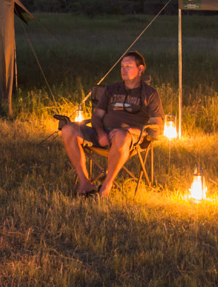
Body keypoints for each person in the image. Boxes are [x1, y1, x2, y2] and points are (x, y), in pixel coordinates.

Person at [59, 51, 163, 198]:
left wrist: (131, 130)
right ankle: (84, 183)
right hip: (102, 133)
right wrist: (101, 133)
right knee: (68, 129)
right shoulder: (111, 89)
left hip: (129, 138)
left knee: (121, 135)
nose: (123, 69)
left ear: (140, 69)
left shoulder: (150, 94)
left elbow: (157, 126)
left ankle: (106, 186)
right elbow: (97, 116)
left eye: (128, 66)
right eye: (122, 66)